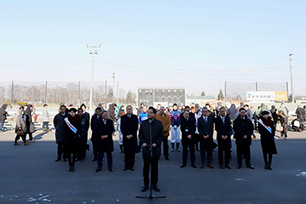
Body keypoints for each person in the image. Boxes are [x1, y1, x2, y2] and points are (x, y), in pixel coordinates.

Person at [139, 107, 164, 192]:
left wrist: (156, 143)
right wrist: (143, 142)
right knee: (146, 167)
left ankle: (154, 184)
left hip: (155, 149)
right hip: (146, 148)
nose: (148, 114)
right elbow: (140, 135)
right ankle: (145, 184)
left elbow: (161, 136)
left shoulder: (159, 124)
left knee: (154, 167)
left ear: (154, 114)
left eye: (150, 112)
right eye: (148, 112)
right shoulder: (144, 123)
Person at [121, 105, 139, 170]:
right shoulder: (123, 117)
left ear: (132, 110)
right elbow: (122, 127)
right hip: (126, 137)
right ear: (126, 110)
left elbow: (136, 127)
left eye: (130, 109)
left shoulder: (134, 117)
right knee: (126, 152)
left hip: (133, 137)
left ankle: (132, 165)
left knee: (132, 152)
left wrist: (132, 135)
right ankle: (126, 165)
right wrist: (126, 135)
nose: (129, 110)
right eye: (128, 109)